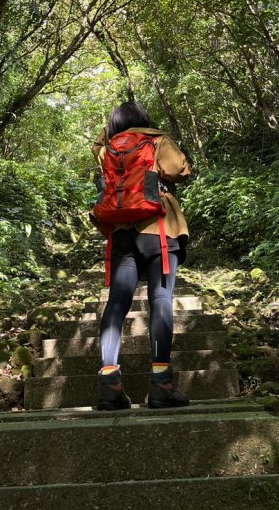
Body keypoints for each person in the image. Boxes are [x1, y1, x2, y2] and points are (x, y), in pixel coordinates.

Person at [91, 100, 192, 410]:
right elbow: (179, 170)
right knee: (160, 300)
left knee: (117, 303)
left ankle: (109, 385)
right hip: (159, 230)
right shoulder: (157, 140)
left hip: (122, 235)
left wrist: (112, 131)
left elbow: (96, 146)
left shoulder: (109, 149)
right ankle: (161, 384)